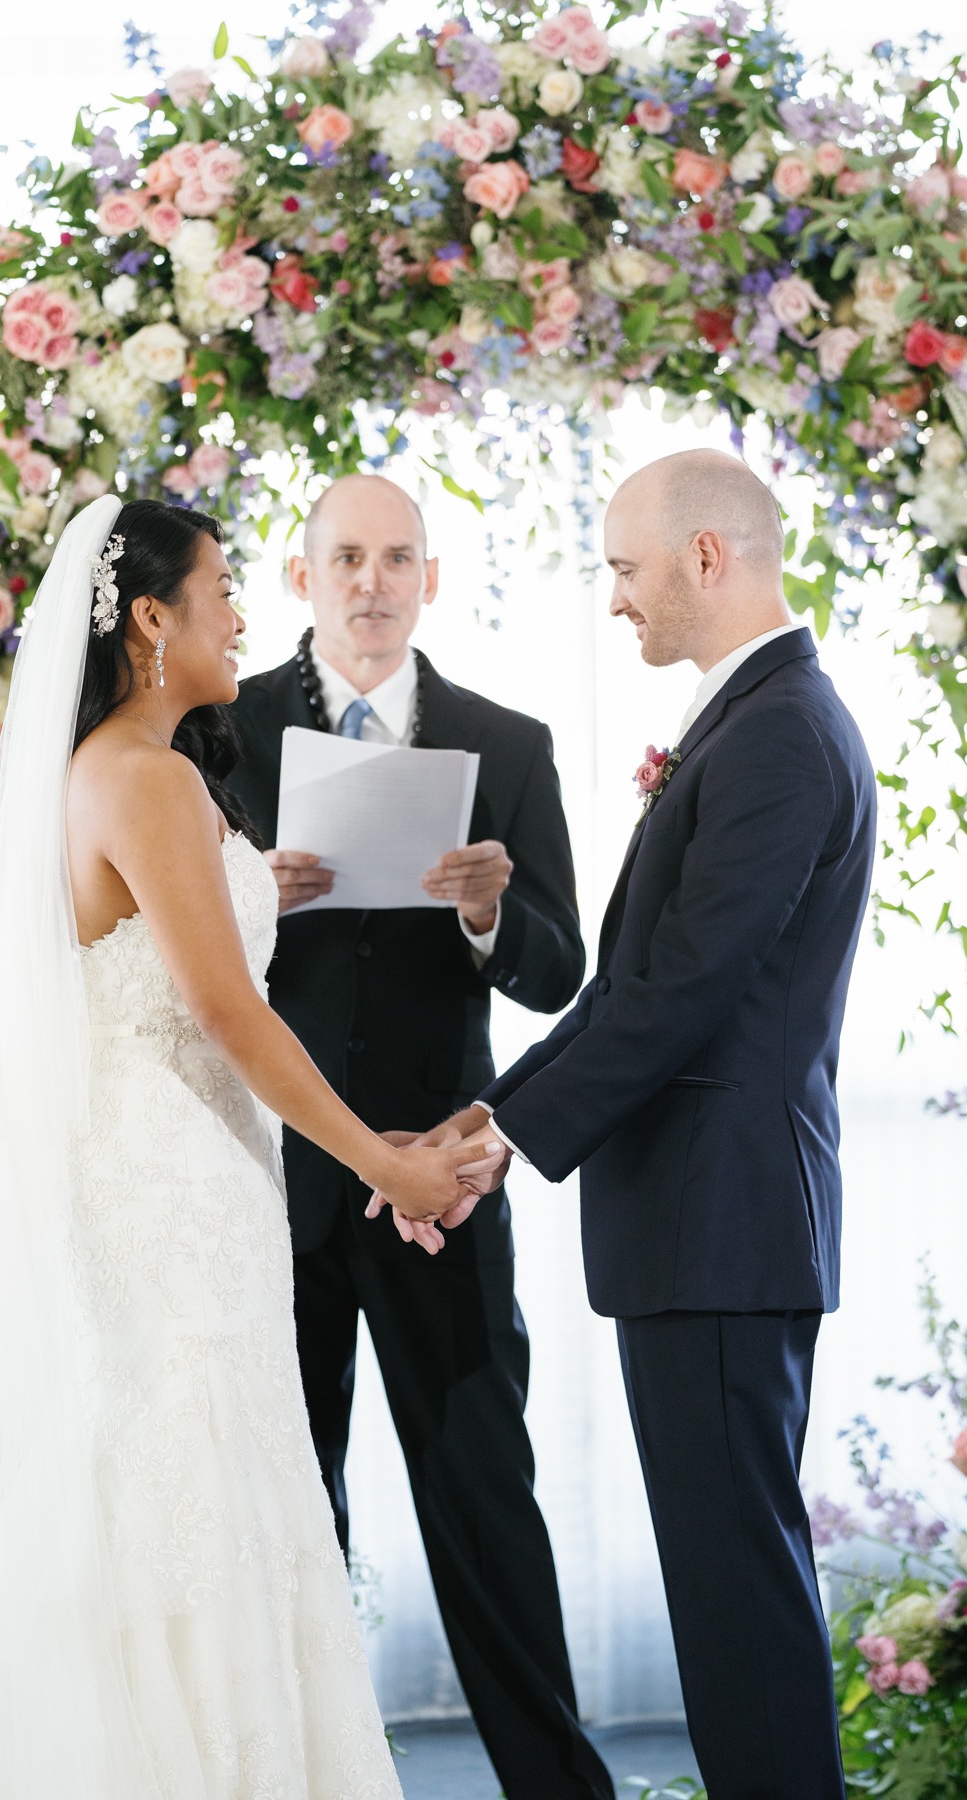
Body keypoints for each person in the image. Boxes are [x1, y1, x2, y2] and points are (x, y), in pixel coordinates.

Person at [0, 495, 503, 1799]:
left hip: (173, 1166)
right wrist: (382, 1162)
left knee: (178, 1474)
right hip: (170, 1180)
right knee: (193, 1483)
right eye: (223, 590)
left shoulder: (117, 770)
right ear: (153, 617)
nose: (242, 614)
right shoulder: (150, 777)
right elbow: (225, 1012)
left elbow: (152, 957)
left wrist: (244, 885)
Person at [379, 449, 876, 1800]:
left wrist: (493, 1145)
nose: (615, 602)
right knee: (731, 1598)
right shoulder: (758, 719)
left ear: (706, 559)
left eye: (624, 568)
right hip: (707, 1226)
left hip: (724, 1227)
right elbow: (637, 990)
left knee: (739, 1608)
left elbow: (688, 993)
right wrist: (493, 1116)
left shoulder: (778, 731)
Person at [230, 474, 615, 1800]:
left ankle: (557, 1786)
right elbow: (160, 958)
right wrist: (251, 905)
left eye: (399, 559)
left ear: (431, 581)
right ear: (303, 575)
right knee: (286, 1504)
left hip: (436, 1183)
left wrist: (487, 917)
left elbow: (563, 973)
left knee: (482, 1494)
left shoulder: (505, 744)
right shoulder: (219, 734)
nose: (372, 583)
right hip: (262, 1181)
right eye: (347, 557)